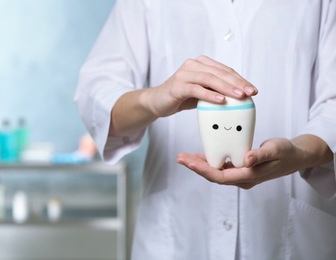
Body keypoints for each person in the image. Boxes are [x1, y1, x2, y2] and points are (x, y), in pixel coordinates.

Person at [75, 0, 336, 259]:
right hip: (174, 240)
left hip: (295, 240)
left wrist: (303, 152)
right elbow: (97, 96)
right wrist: (153, 99)